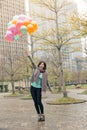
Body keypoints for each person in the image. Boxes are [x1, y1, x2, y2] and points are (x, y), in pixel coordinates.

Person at [28, 55, 52, 122]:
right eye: (41, 64)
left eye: (43, 64)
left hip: (39, 88)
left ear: (44, 66)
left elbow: (46, 81)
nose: (42, 65)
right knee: (35, 102)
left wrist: (50, 88)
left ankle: (42, 115)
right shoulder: (36, 69)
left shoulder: (45, 73)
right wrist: (29, 57)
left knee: (39, 102)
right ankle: (39, 115)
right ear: (39, 65)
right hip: (33, 87)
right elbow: (32, 63)